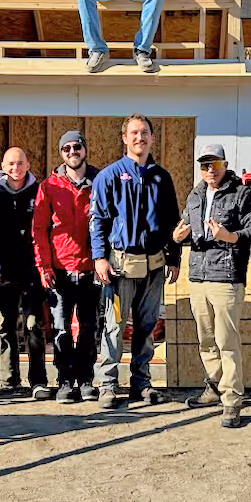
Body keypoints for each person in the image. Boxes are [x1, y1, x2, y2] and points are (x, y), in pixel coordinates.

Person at [90, 114, 181, 408]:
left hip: (154, 267)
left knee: (147, 328)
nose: (139, 138)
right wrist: (99, 258)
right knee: (114, 327)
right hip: (119, 268)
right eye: (134, 133)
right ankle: (107, 385)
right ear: (124, 138)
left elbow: (171, 222)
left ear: (152, 138)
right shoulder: (109, 176)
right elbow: (98, 220)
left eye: (144, 133)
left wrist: (175, 257)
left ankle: (141, 383)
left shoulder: (161, 178)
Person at [173, 144, 251, 428]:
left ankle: (233, 400)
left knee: (227, 342)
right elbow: (187, 228)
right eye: (204, 165)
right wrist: (178, 236)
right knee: (207, 341)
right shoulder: (196, 194)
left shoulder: (241, 193)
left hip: (226, 277)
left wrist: (229, 236)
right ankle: (215, 387)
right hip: (198, 277)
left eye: (214, 164)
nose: (209, 170)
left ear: (225, 164)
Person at [33, 130, 103, 403]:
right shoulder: (49, 186)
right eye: (66, 149)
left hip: (90, 269)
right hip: (60, 270)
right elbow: (39, 230)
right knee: (61, 329)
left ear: (84, 150)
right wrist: (44, 267)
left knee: (88, 327)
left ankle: (86, 379)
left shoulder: (99, 182)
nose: (72, 152)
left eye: (77, 147)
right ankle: (64, 381)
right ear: (61, 154)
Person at [0, 147, 49, 400]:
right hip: (3, 273)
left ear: (28, 164)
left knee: (34, 327)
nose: (16, 168)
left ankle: (38, 380)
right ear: (3, 165)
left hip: (33, 272)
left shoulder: (40, 192)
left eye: (20, 163)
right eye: (11, 163)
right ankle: (9, 380)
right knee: (5, 326)